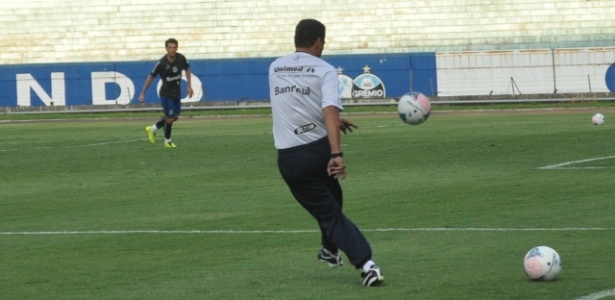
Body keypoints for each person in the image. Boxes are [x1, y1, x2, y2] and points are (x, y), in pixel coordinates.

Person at [268, 19, 384, 287]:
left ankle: (345, 256)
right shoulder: (326, 70)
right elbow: (329, 108)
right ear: (319, 41)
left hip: (293, 158)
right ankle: (358, 261)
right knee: (331, 208)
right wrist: (336, 153)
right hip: (320, 151)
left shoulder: (275, 67)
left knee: (330, 206)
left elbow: (296, 103)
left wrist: (330, 125)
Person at [139, 38, 194, 148]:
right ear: (166, 49)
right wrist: (142, 92)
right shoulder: (161, 63)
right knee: (169, 118)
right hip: (166, 94)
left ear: (177, 48)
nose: (172, 50)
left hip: (176, 94)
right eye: (170, 48)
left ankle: (152, 128)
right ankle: (167, 141)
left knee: (175, 117)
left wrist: (189, 86)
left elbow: (187, 69)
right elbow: (151, 77)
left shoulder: (181, 58)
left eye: (174, 47)